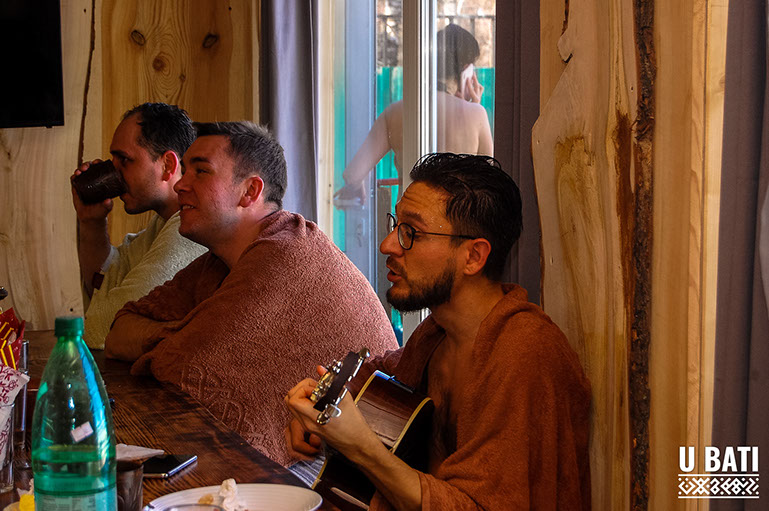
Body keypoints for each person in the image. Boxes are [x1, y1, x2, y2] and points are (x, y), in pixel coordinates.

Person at [286, 153, 591, 510]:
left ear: (473, 257)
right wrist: (325, 404)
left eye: (411, 233)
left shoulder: (526, 354)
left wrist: (361, 446)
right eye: (396, 225)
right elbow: (380, 375)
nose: (387, 245)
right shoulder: (437, 334)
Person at [104, 121, 398, 466]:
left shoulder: (283, 253)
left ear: (249, 191)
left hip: (352, 474)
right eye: (184, 170)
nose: (180, 184)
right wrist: (183, 332)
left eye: (201, 171)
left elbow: (184, 365)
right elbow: (118, 332)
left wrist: (182, 336)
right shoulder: (218, 261)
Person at [73, 102, 207, 349]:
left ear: (167, 165)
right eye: (113, 161)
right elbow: (105, 282)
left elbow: (102, 327)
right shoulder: (164, 223)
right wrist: (91, 222)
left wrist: (101, 310)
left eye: (124, 160)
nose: (114, 173)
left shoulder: (189, 232)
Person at [335, 24, 494, 205]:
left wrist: (358, 184)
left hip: (408, 219)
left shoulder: (395, 111)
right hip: (455, 220)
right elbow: (489, 183)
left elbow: (352, 174)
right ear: (466, 70)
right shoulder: (477, 115)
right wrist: (473, 107)